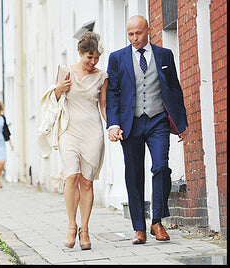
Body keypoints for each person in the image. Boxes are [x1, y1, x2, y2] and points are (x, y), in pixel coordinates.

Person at [106, 15, 188, 245]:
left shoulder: (164, 55)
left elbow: (174, 88)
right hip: (130, 123)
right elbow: (112, 93)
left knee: (161, 166)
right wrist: (113, 124)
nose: (134, 38)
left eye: (138, 33)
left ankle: (157, 221)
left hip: (157, 120)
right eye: (130, 34)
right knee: (134, 175)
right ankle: (138, 228)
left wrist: (181, 123)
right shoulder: (117, 58)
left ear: (149, 30)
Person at [41, 31, 108, 250]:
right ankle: (71, 226)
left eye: (96, 57)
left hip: (92, 132)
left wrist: (113, 127)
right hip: (68, 131)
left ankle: (85, 229)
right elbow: (54, 102)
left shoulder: (102, 76)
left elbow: (104, 106)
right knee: (71, 177)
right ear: (80, 53)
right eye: (89, 57)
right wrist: (58, 90)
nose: (92, 61)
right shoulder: (66, 72)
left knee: (87, 182)